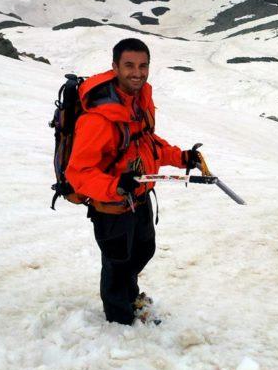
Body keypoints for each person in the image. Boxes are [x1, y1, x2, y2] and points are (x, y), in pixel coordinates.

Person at [66, 37, 202, 324]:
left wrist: (181, 158)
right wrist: (115, 187)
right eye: (129, 65)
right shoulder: (97, 119)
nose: (137, 72)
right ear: (115, 67)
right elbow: (78, 172)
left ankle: (129, 296)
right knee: (117, 264)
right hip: (112, 206)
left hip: (138, 196)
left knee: (143, 249)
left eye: (143, 66)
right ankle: (120, 322)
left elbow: (146, 142)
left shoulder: (138, 103)